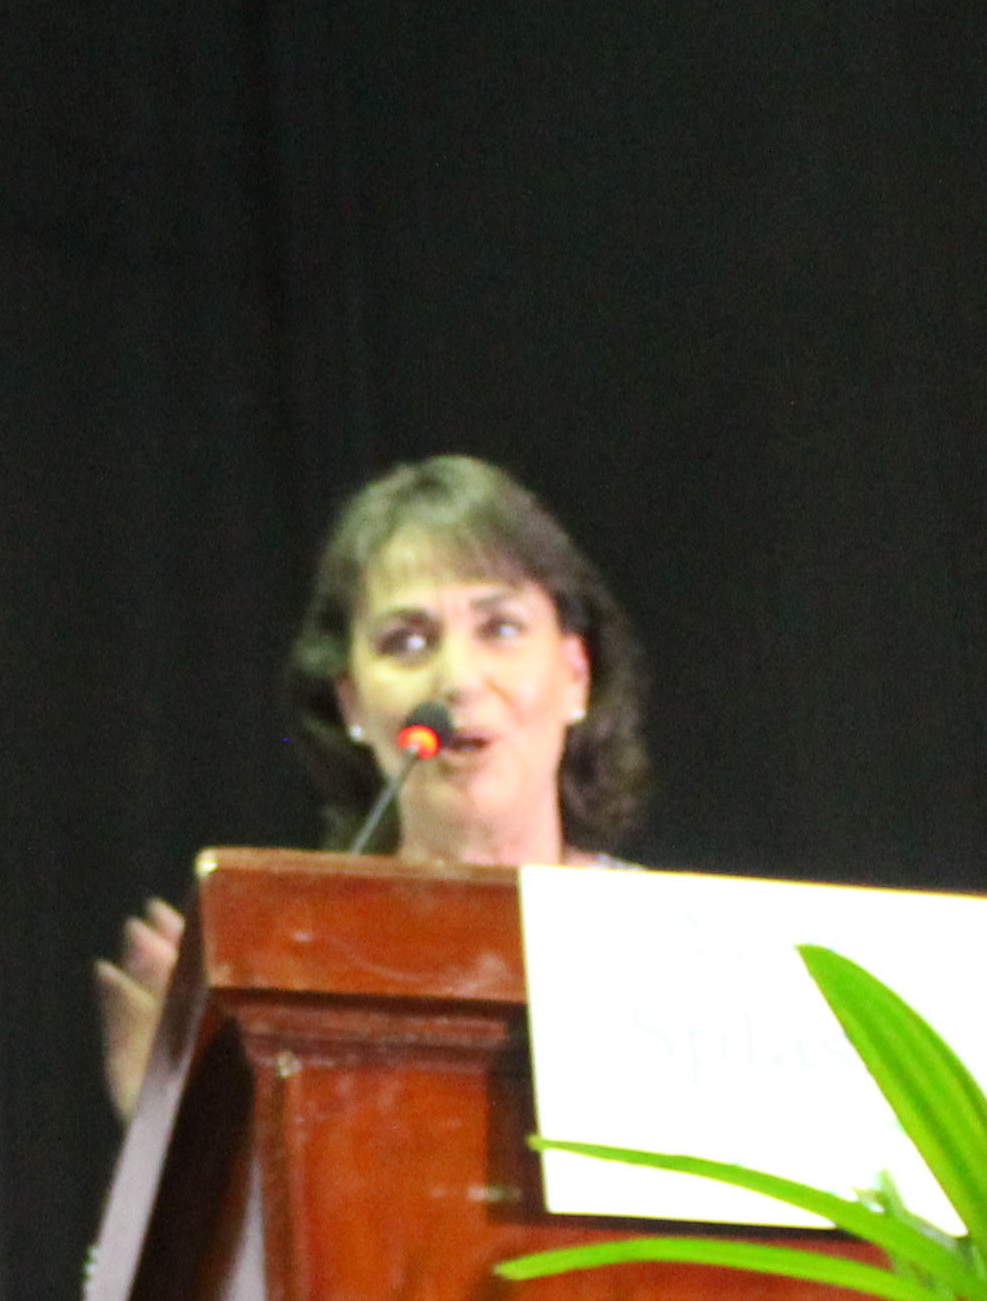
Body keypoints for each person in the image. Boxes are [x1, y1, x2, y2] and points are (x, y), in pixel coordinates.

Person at [98, 456, 655, 1118]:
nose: (458, 680)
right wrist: (176, 1120)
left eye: (500, 629)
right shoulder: (292, 975)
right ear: (353, 704)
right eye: (407, 641)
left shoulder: (673, 949)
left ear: (575, 675)